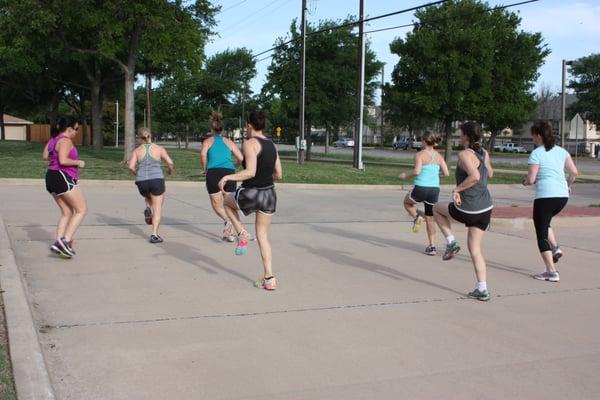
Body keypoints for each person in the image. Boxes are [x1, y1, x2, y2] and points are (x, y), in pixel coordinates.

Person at [219, 110, 283, 291]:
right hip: (269, 194)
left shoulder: (249, 143)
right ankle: (269, 278)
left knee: (226, 202)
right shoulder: (272, 145)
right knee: (263, 237)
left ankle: (241, 233)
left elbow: (250, 172)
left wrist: (229, 177)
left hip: (252, 193)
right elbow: (279, 174)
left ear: (249, 125)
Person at [433, 121, 494, 301]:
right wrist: (484, 164)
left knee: (437, 208)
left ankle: (451, 242)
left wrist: (457, 189)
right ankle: (482, 289)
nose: (460, 136)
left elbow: (474, 176)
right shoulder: (484, 153)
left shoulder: (464, 154)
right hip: (486, 208)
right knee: (475, 249)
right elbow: (489, 174)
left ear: (466, 136)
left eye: (461, 133)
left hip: (470, 207)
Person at [523, 121, 578, 282]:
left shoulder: (536, 153)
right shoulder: (562, 151)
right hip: (562, 197)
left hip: (545, 197)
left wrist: (525, 181)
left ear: (539, 136)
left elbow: (531, 179)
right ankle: (555, 249)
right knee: (545, 224)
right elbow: (574, 172)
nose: (532, 138)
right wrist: (567, 185)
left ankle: (551, 271)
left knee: (541, 233)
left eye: (533, 135)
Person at [43, 117, 87, 258]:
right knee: (82, 210)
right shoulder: (66, 141)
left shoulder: (53, 139)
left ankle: (58, 243)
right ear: (69, 129)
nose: (76, 132)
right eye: (76, 129)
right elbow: (63, 160)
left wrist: (55, 159)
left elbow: (45, 156)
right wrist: (77, 162)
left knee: (67, 212)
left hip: (51, 176)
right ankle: (65, 241)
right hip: (62, 177)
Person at [399, 131, 449, 255]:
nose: (421, 142)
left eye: (421, 140)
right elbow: (447, 173)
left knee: (407, 203)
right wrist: (435, 174)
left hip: (421, 187)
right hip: (434, 190)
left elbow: (416, 171)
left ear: (425, 141)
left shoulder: (420, 154)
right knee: (430, 219)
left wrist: (406, 176)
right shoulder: (438, 156)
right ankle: (432, 247)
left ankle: (417, 216)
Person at [201, 112, 243, 242]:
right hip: (229, 173)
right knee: (229, 203)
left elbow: (203, 155)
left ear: (211, 129)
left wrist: (204, 169)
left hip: (213, 172)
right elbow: (241, 158)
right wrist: (235, 166)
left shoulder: (208, 141)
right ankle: (229, 232)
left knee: (216, 204)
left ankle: (227, 222)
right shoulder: (229, 142)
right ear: (222, 130)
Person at [128, 127, 174, 243]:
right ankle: (154, 234)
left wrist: (136, 173)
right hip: (156, 179)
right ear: (150, 136)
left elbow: (131, 167)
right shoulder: (159, 149)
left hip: (142, 181)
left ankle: (148, 207)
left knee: (149, 196)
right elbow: (170, 162)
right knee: (157, 208)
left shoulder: (137, 151)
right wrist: (169, 170)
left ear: (139, 138)